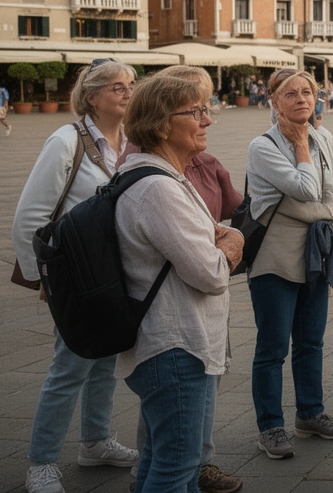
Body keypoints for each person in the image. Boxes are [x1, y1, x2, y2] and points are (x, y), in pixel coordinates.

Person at [12, 60, 140, 493]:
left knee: (105, 360)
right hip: (77, 271)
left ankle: (95, 441)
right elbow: (31, 213)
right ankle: (41, 463)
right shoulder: (66, 141)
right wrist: (42, 280)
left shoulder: (131, 140)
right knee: (70, 366)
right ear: (92, 97)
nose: (127, 92)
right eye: (117, 87)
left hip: (115, 271)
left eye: (131, 85)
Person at [116, 76, 244, 492]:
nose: (207, 120)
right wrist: (233, 243)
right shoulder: (158, 189)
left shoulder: (163, 178)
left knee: (162, 459)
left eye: (206, 109)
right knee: (176, 467)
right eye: (195, 112)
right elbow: (210, 273)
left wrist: (222, 239)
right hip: (175, 348)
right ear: (160, 125)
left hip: (175, 345)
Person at [246, 68, 333, 459]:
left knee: (311, 341)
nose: (302, 99)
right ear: (274, 101)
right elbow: (307, 188)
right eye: (291, 94)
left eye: (308, 92)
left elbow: (330, 196)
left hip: (314, 253)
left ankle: (310, 413)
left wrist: (319, 212)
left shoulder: (324, 138)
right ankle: (270, 426)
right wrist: (302, 144)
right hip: (275, 255)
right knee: (272, 348)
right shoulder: (263, 146)